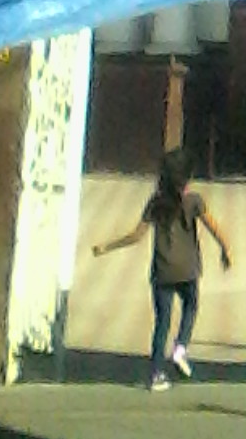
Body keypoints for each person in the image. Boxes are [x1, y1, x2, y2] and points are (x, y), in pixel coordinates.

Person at [92, 146, 232, 389]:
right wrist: (225, 250)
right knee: (191, 306)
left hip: (162, 271)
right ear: (187, 176)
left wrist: (107, 246)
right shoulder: (194, 201)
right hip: (188, 269)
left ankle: (156, 374)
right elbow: (214, 228)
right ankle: (180, 348)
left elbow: (136, 236)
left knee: (162, 321)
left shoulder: (156, 203)